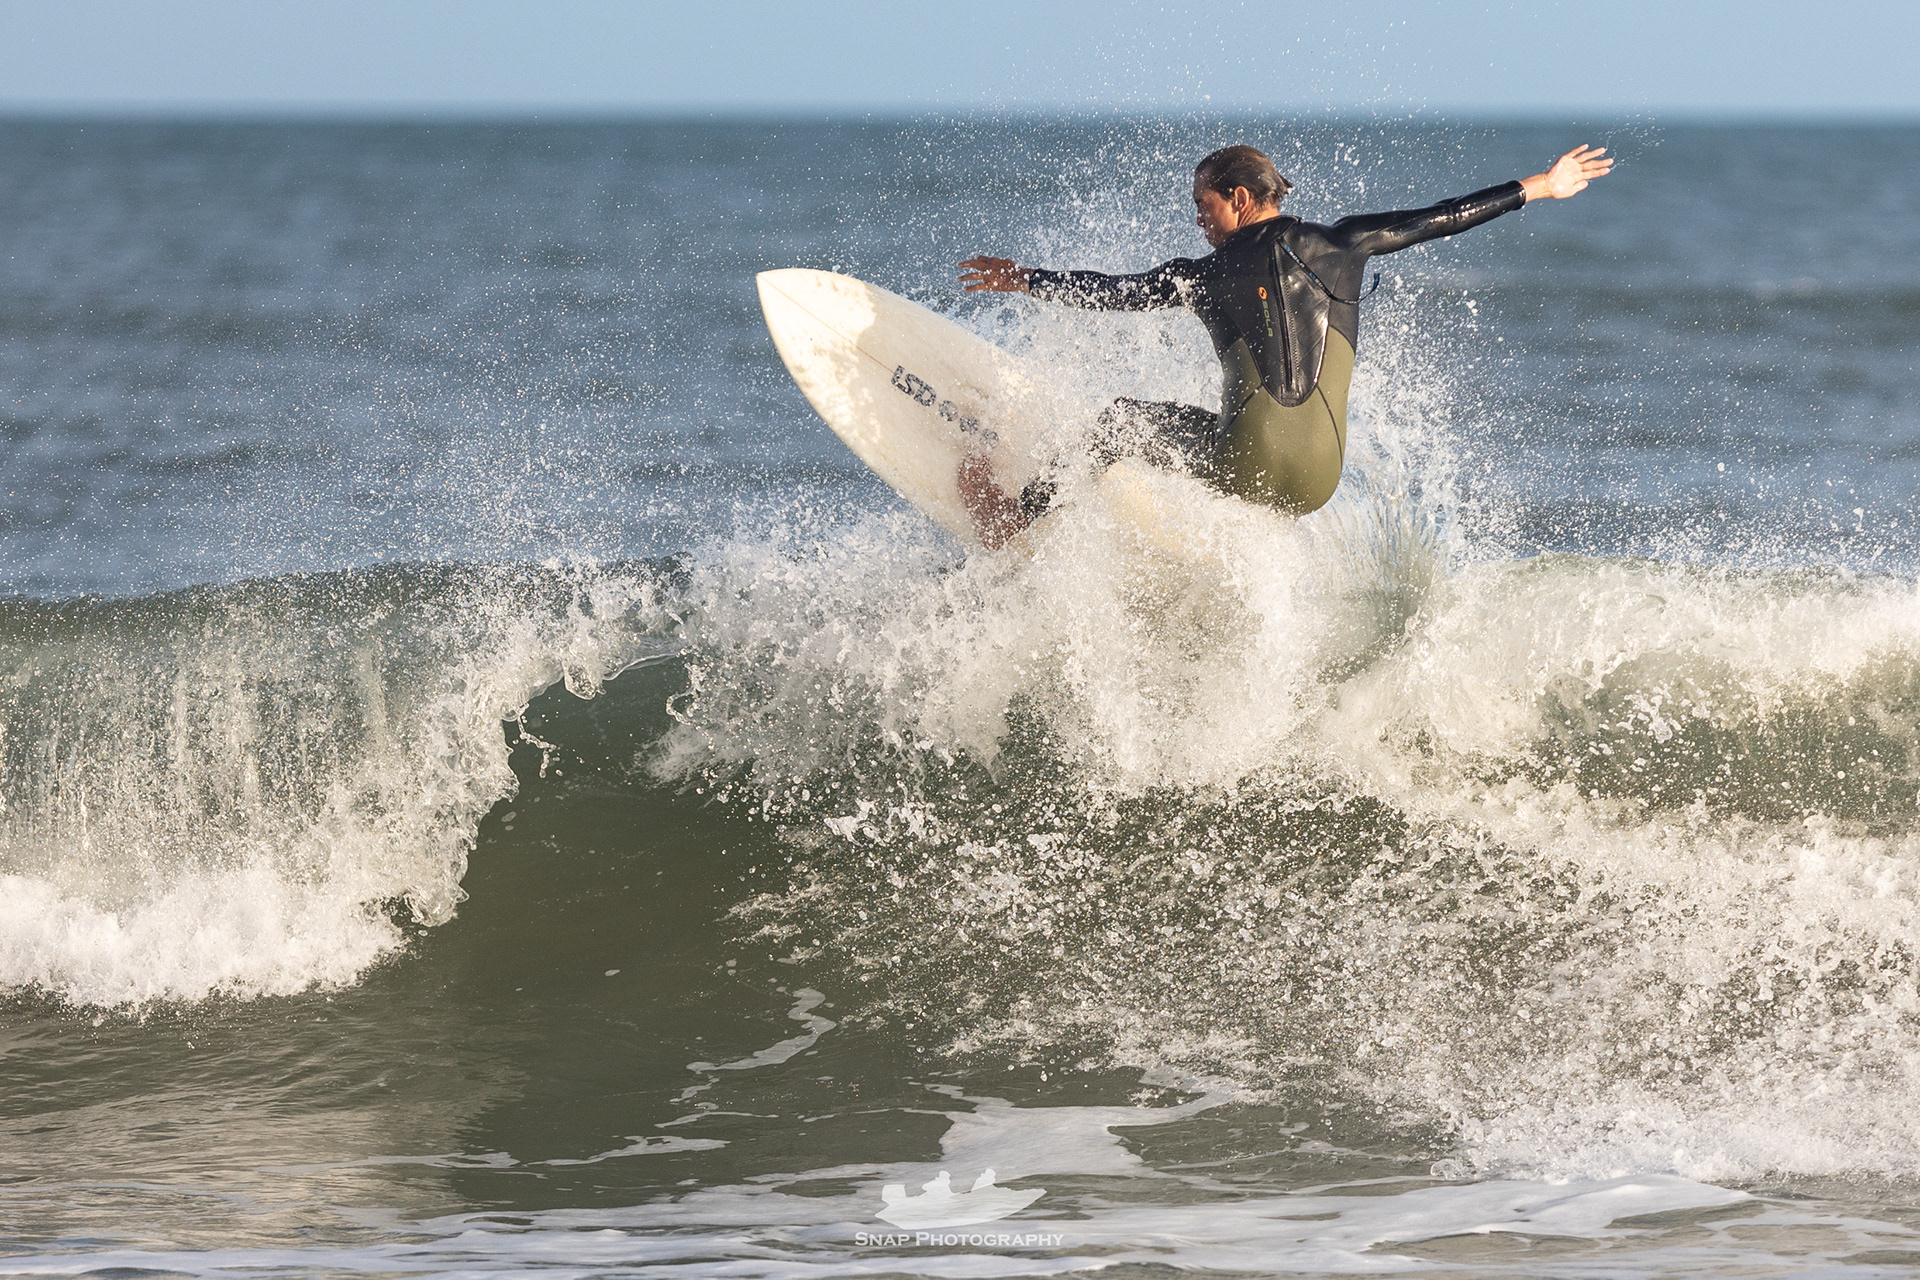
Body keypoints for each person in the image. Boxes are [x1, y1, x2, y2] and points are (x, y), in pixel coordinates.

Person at [954, 142, 1612, 546]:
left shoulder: (1202, 274)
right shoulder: (1346, 243)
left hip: (1250, 463)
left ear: (1239, 199)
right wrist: (1543, 186)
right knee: (1226, 441)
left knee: (1121, 422)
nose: (1197, 217)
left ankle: (1016, 519)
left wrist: (1027, 279)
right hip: (1319, 481)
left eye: (1203, 204)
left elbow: (1116, 293)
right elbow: (1439, 217)